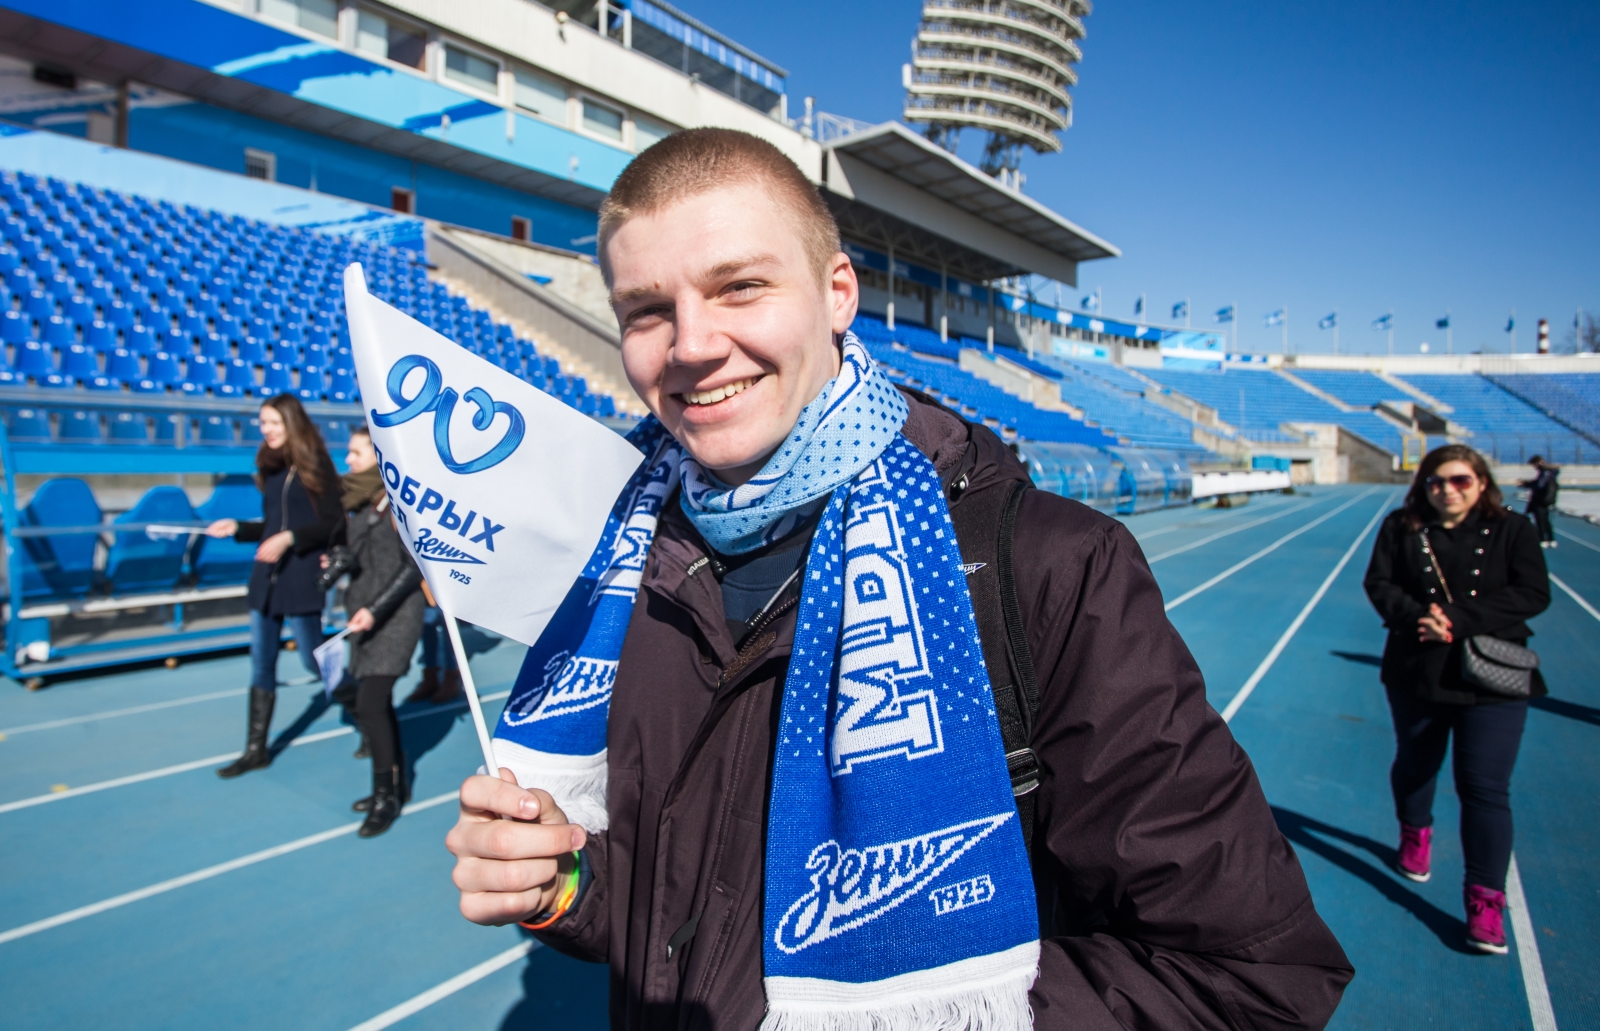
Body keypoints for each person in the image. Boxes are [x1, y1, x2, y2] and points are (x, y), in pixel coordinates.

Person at [445, 129, 1353, 1029]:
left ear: (837, 292)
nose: (691, 344)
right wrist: (564, 884)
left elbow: (1254, 978)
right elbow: (674, 914)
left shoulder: (1044, 565)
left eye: (740, 287)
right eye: (647, 309)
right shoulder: (625, 564)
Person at [1363, 444, 1550, 955]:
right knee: (1416, 764)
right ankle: (1414, 829)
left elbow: (1533, 593)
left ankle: (1485, 900)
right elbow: (1378, 583)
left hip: (1493, 680)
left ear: (1482, 483)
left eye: (1460, 480)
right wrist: (1417, 616)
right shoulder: (1402, 528)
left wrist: (1457, 620)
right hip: (1417, 672)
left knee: (1485, 788)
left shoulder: (1514, 530)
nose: (1447, 490)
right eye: (1436, 481)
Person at [206, 394, 342, 779]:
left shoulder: (317, 466)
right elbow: (270, 526)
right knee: (261, 664)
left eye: (273, 424)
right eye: (263, 424)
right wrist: (237, 528)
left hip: (299, 577)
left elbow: (334, 525)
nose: (265, 430)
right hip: (265, 580)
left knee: (311, 660)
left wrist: (290, 539)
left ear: (291, 424)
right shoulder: (270, 466)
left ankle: (362, 705)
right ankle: (255, 749)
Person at [328, 426, 426, 837]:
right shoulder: (363, 502)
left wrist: (375, 609)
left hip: (395, 617)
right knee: (376, 703)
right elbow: (361, 557)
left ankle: (386, 796)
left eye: (356, 452)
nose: (348, 459)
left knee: (370, 703)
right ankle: (392, 782)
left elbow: (412, 567)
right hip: (363, 617)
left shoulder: (400, 503)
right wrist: (336, 562)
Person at [1518, 454, 1560, 548]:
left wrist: (1526, 484)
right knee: (1545, 520)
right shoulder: (1550, 472)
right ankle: (1551, 539)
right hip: (1546, 499)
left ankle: (1543, 539)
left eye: (1534, 465)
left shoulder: (1545, 472)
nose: (1534, 467)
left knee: (1540, 520)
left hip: (1540, 499)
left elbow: (1539, 485)